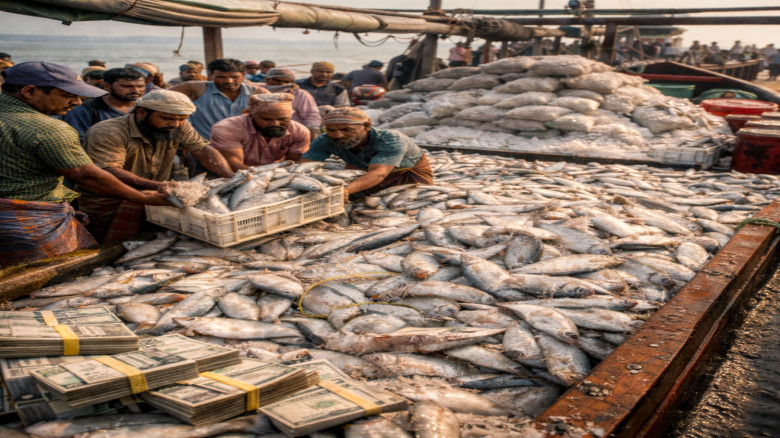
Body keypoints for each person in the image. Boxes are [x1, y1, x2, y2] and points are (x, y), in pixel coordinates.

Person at [0, 62, 170, 267]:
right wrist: (143, 197)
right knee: (54, 274)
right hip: (28, 221)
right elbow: (86, 176)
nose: (78, 102)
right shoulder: (49, 128)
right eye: (68, 95)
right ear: (30, 91)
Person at [79, 89, 234, 242]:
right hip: (110, 198)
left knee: (153, 238)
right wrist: (160, 185)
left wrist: (231, 177)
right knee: (106, 243)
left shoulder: (180, 125)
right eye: (167, 118)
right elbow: (109, 170)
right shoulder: (108, 131)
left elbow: (202, 150)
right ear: (141, 112)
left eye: (182, 119)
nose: (175, 124)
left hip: (156, 196)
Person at [299, 107, 432, 199]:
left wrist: (345, 190)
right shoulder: (325, 139)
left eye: (346, 129)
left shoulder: (392, 139)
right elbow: (305, 165)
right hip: (364, 172)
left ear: (367, 125)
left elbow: (378, 173)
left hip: (404, 174)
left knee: (412, 199)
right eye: (331, 130)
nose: (338, 135)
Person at [169, 58, 269, 139]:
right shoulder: (196, 88)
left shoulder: (258, 93)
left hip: (246, 147)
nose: (229, 81)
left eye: (235, 77)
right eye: (221, 77)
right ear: (211, 75)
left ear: (243, 75)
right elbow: (159, 96)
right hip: (205, 147)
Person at [211, 93, 310, 171]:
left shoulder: (299, 131)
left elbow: (293, 162)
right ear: (251, 115)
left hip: (274, 173)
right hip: (234, 174)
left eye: (282, 119)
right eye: (267, 119)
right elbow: (234, 164)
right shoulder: (227, 129)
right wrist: (264, 177)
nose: (275, 124)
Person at [65, 68, 146, 142]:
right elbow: (81, 140)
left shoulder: (147, 108)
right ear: (107, 86)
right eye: (127, 86)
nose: (136, 90)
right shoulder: (84, 109)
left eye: (140, 86)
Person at [264, 68, 322, 139]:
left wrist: (314, 133)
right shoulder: (259, 91)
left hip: (292, 133)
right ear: (267, 80)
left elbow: (311, 115)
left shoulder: (300, 94)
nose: (282, 84)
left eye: (286, 82)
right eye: (277, 80)